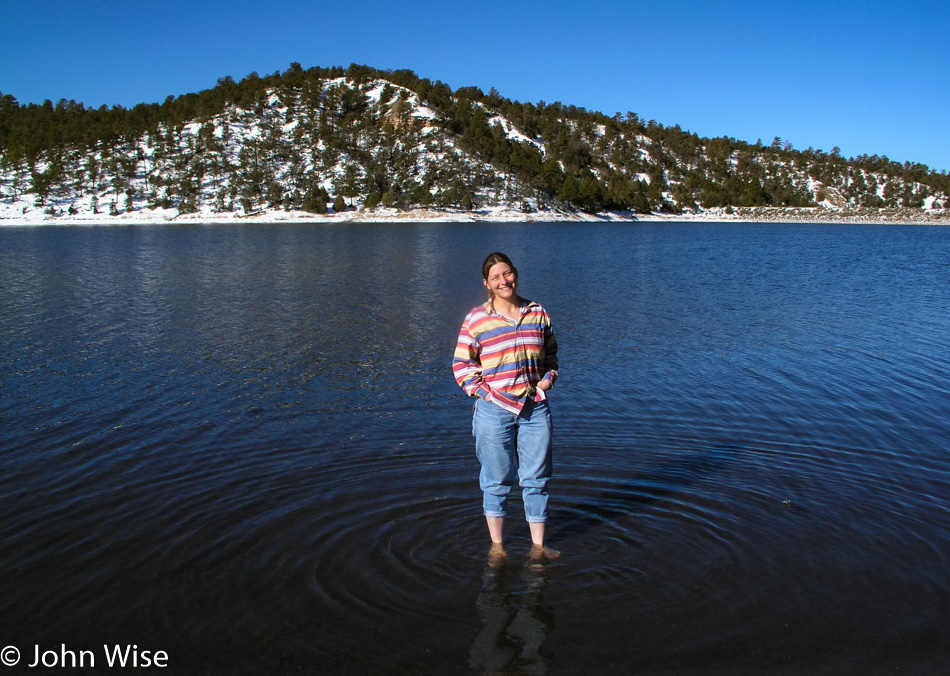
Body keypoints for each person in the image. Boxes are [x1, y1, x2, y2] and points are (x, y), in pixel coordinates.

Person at [453, 252, 559, 559]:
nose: (504, 281)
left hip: (534, 407)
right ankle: (497, 548)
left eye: (507, 273)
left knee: (537, 478)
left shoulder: (536, 312)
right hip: (494, 410)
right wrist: (483, 393)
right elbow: (462, 365)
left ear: (515, 274)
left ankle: (538, 549)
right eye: (496, 277)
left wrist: (548, 379)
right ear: (487, 283)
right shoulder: (477, 319)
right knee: (497, 480)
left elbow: (551, 354)